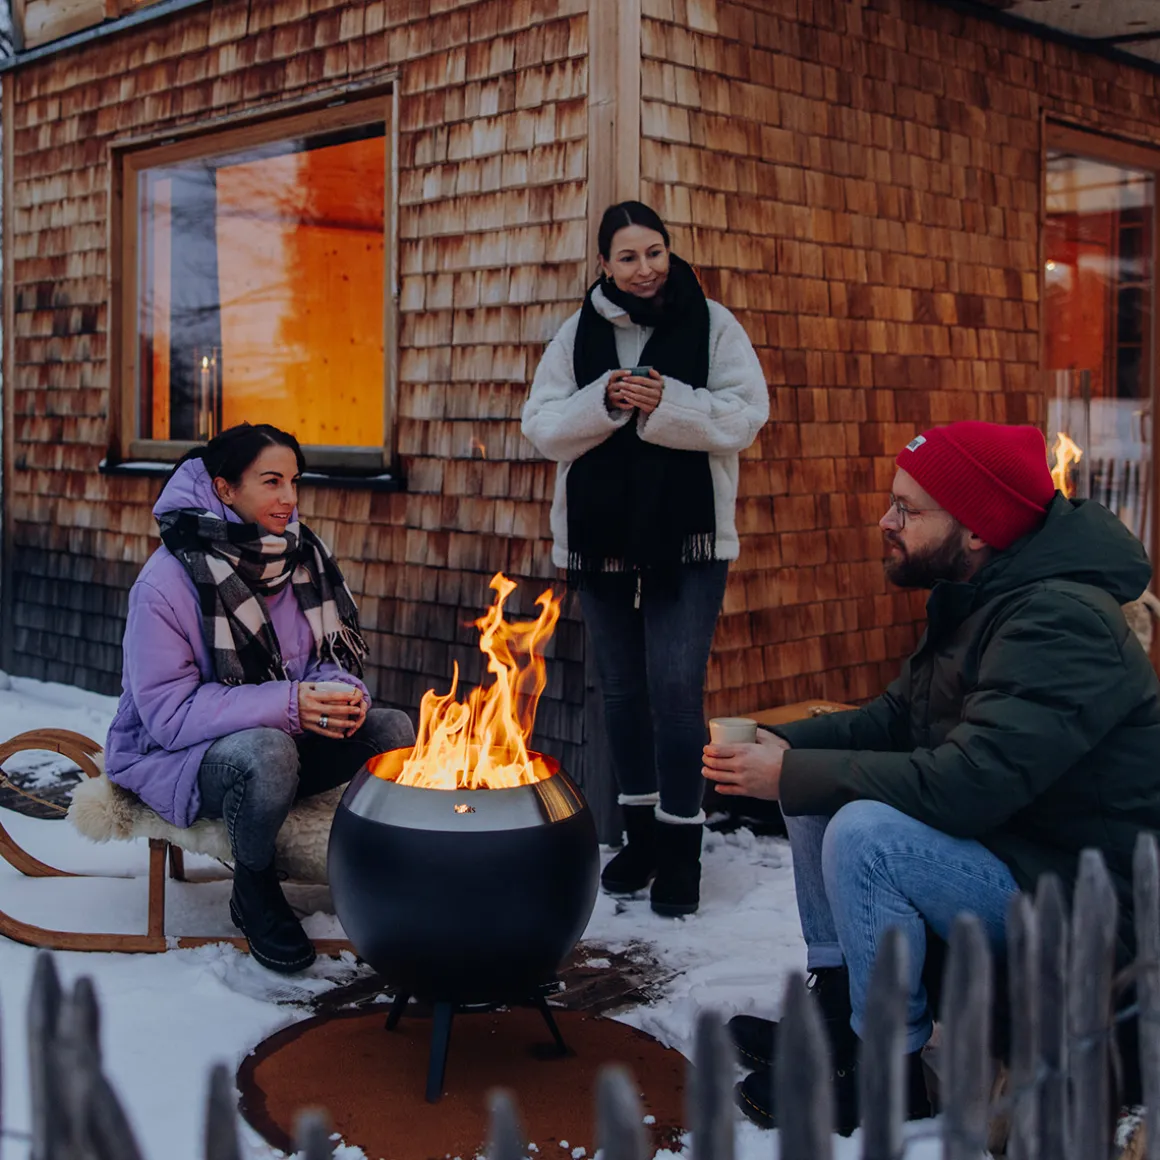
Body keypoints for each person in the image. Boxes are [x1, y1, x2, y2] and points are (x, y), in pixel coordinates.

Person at [702, 420, 1160, 1131]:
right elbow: (890, 721)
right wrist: (773, 742)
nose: (887, 522)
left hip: (1087, 906)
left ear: (976, 530)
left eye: (908, 510)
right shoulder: (984, 596)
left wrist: (790, 771)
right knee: (813, 788)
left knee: (862, 830)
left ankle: (889, 1070)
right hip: (1020, 855)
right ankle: (838, 1021)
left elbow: (972, 785)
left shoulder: (1059, 622)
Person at [521, 201, 769, 916]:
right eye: (627, 256)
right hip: (597, 543)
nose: (644, 268)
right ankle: (640, 841)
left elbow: (747, 417)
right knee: (623, 691)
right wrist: (603, 399)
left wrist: (669, 404)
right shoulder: (577, 334)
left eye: (654, 252)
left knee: (675, 690)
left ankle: (681, 850)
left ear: (669, 252)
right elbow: (542, 426)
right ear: (604, 264)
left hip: (688, 542)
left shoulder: (713, 323)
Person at [105, 423, 414, 974]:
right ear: (225, 490)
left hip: (279, 737)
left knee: (392, 732)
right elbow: (168, 717)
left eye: (294, 481)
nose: (289, 498)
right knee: (268, 751)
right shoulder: (167, 583)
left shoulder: (298, 556)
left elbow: (325, 657)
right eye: (271, 482)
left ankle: (377, 870)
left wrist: (339, 694)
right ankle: (254, 885)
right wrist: (293, 702)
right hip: (178, 756)